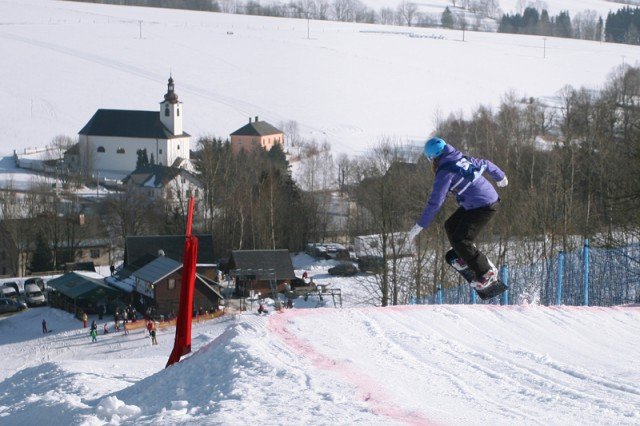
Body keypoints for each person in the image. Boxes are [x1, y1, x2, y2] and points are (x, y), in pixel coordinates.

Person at [407, 137, 508, 289]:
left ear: (433, 159)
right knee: (451, 225)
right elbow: (486, 163)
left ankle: (487, 272)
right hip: (479, 202)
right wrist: (500, 176)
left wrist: (420, 225)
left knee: (461, 239)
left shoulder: (444, 172)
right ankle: (464, 256)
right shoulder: (461, 159)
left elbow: (435, 202)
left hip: (484, 206)